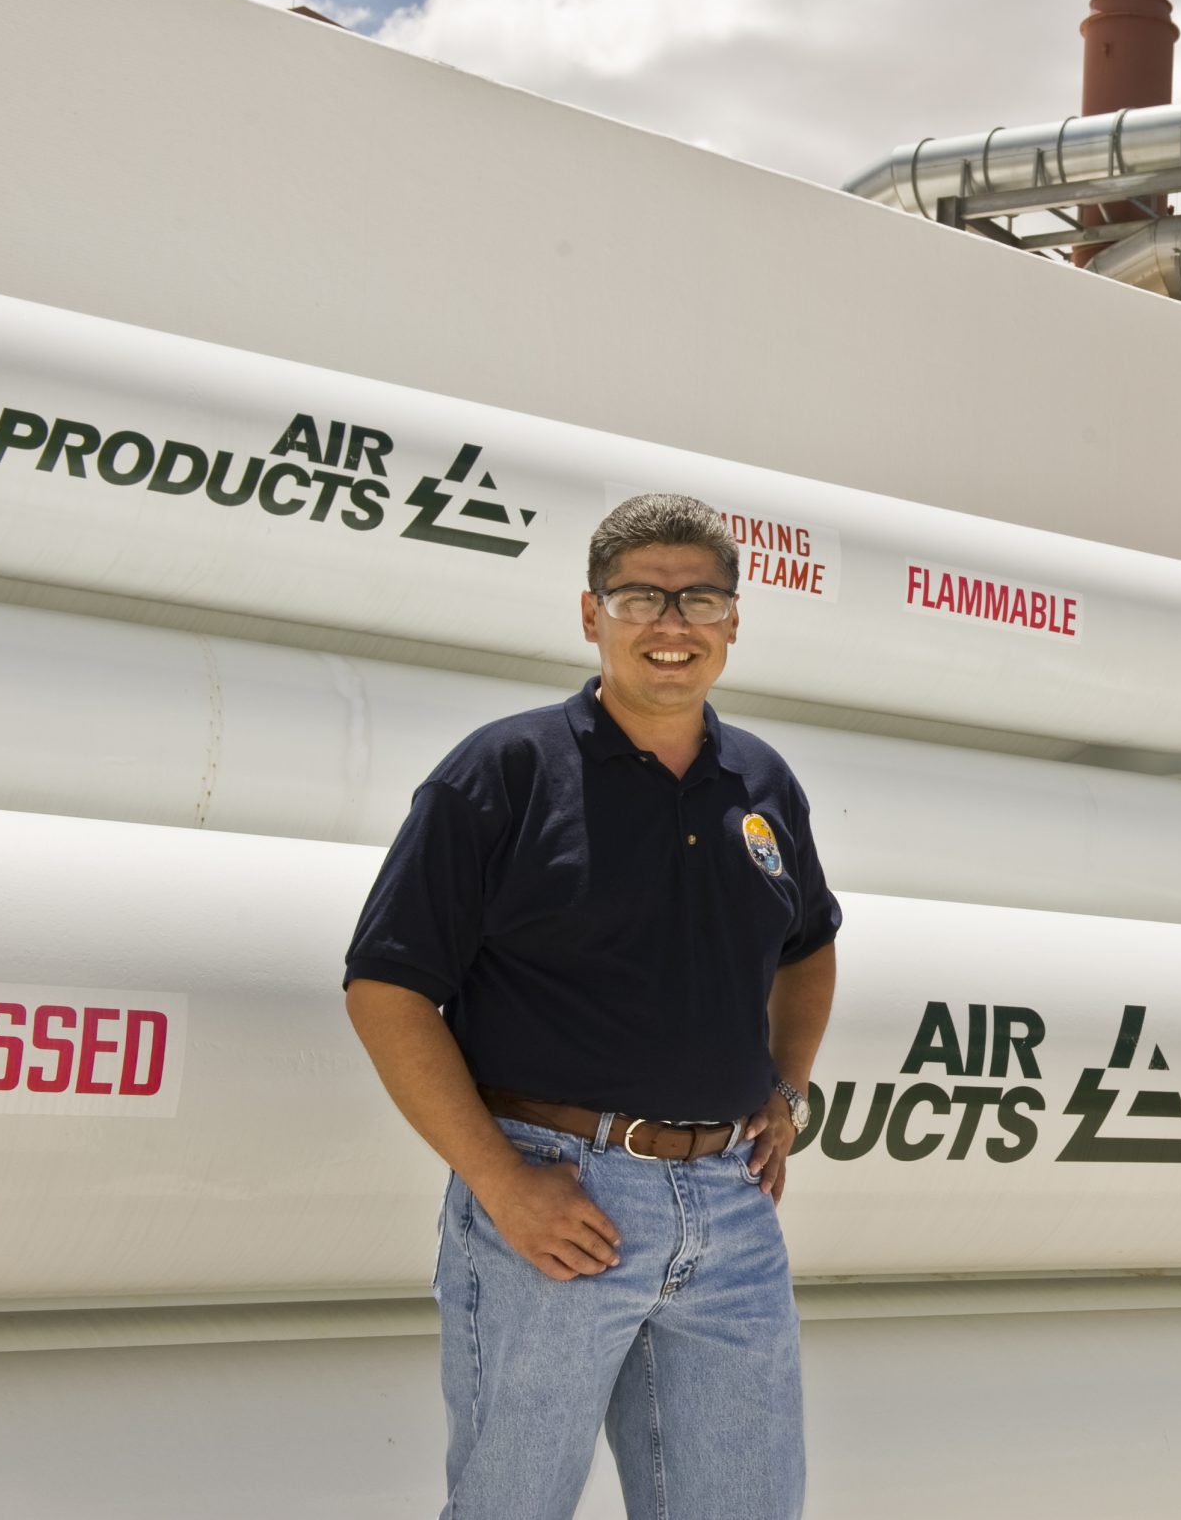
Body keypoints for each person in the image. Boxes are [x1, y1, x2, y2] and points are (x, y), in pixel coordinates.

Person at [342, 492, 839, 1520]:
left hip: (734, 1215)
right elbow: (387, 987)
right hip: (556, 1202)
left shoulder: (760, 780)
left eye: (699, 597)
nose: (672, 623)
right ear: (589, 614)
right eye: (640, 597)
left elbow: (810, 944)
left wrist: (786, 1085)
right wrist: (503, 1183)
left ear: (734, 620)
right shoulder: (505, 772)